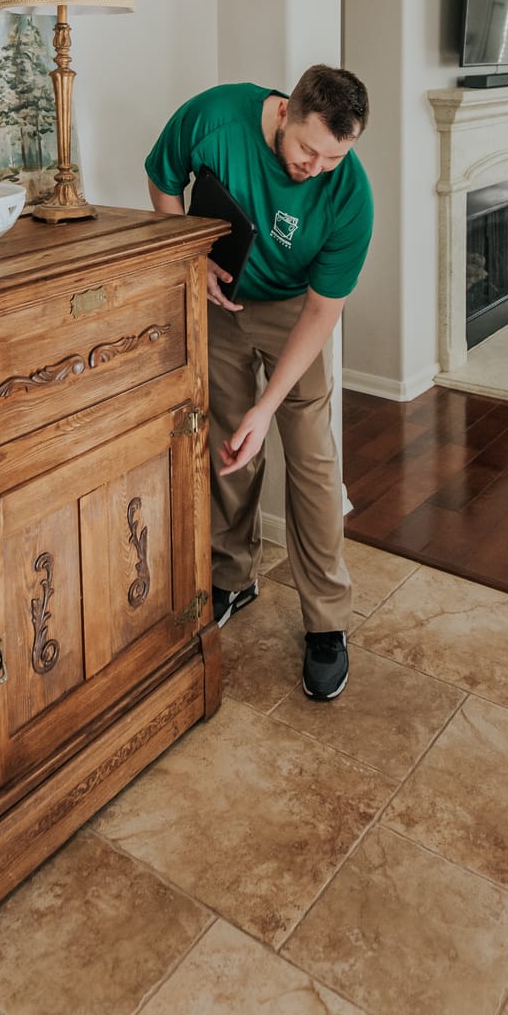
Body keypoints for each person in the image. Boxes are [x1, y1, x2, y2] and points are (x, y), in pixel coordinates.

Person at [145, 66, 372, 701]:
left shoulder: (349, 195)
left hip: (293, 312)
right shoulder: (214, 116)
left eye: (333, 157)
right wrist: (190, 260)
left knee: (313, 460)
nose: (315, 168)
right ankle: (232, 575)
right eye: (308, 150)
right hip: (217, 299)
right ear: (283, 114)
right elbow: (163, 180)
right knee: (226, 441)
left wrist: (268, 407)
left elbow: (324, 311)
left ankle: (327, 623)